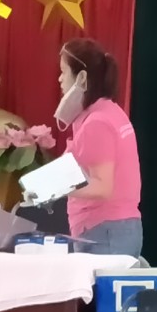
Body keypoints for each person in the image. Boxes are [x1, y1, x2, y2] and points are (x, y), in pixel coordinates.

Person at [55, 38, 143, 258]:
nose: (60, 79)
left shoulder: (97, 122)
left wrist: (53, 188)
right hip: (116, 229)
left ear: (81, 78)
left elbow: (102, 187)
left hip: (104, 231)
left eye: (64, 72)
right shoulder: (108, 112)